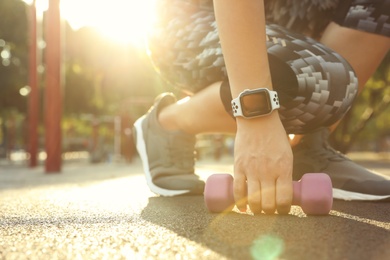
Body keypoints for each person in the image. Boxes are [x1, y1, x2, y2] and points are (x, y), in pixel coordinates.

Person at [133, 0, 390, 214]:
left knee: (332, 76)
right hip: (189, 20)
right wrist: (256, 116)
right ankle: (169, 122)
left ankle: (306, 146)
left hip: (293, 34)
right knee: (316, 80)